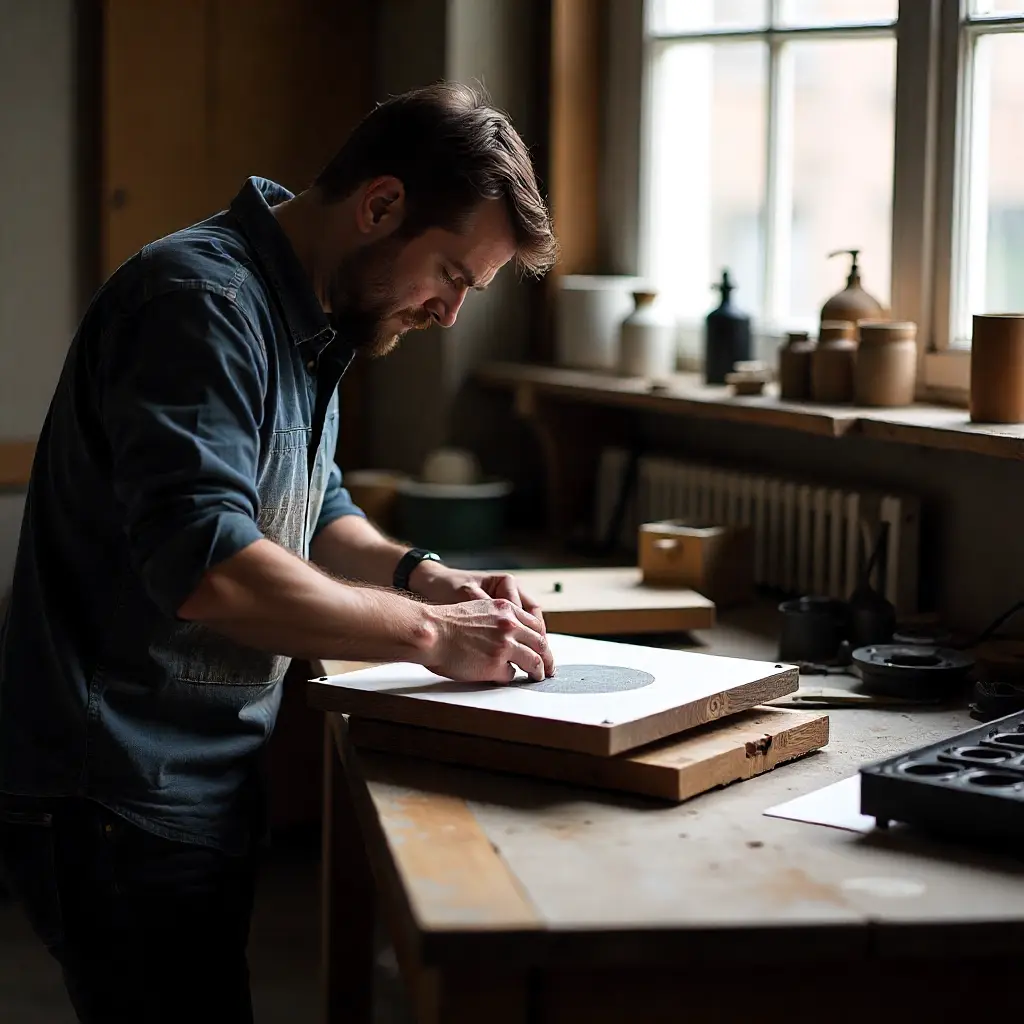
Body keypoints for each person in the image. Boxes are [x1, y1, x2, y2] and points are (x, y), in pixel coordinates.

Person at [0, 81, 558, 1022]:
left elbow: (312, 504)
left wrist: (426, 576)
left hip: (189, 775)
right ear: (381, 205)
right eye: (452, 275)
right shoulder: (202, 303)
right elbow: (213, 568)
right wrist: (433, 634)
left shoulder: (309, 310)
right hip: (117, 790)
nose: (450, 315)